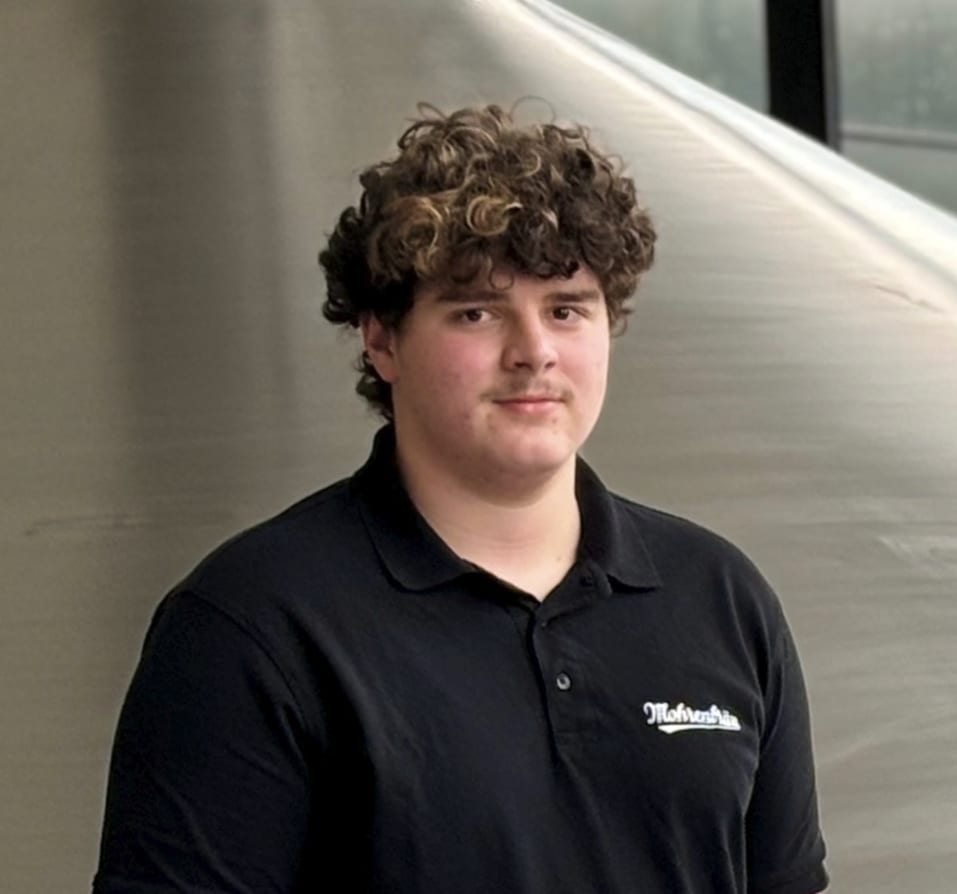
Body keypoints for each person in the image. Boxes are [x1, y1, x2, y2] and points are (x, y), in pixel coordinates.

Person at [94, 104, 828, 894]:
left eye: (566, 309)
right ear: (381, 340)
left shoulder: (718, 596)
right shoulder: (254, 625)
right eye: (477, 311)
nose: (534, 353)